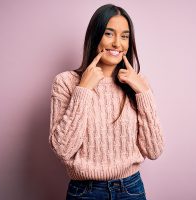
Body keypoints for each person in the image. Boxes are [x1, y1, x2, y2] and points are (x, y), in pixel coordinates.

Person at [49, 4, 164, 200]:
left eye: (125, 36)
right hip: (85, 192)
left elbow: (154, 150)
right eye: (109, 34)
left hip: (131, 189)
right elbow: (62, 149)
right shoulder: (66, 82)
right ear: (95, 36)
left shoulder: (139, 84)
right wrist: (83, 90)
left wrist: (143, 92)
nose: (117, 43)